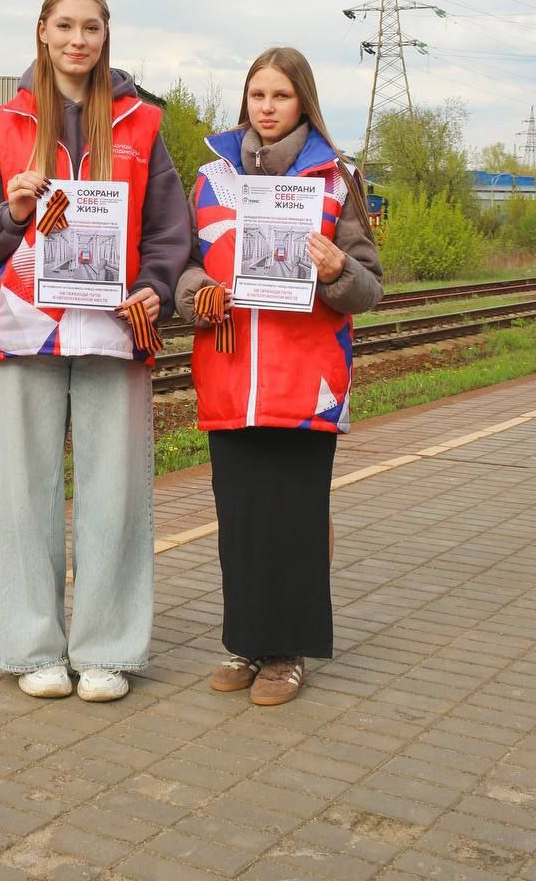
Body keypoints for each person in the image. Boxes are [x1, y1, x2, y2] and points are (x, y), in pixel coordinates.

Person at [0, 0, 189, 702]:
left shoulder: (141, 122)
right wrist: (15, 214)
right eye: (65, 25)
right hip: (26, 328)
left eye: (91, 26)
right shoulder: (5, 123)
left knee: (114, 495)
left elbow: (168, 233)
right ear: (42, 31)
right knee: (23, 494)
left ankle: (106, 650)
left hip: (112, 332)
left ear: (105, 34)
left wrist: (155, 292)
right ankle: (32, 649)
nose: (77, 39)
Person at [175, 46, 383, 706]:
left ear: (302, 103)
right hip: (230, 371)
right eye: (257, 96)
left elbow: (369, 287)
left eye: (280, 97)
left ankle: (287, 655)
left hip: (305, 377)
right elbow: (181, 266)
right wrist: (193, 293)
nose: (266, 108)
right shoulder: (209, 179)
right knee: (239, 518)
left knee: (292, 517)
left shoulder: (332, 181)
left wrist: (334, 273)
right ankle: (246, 643)